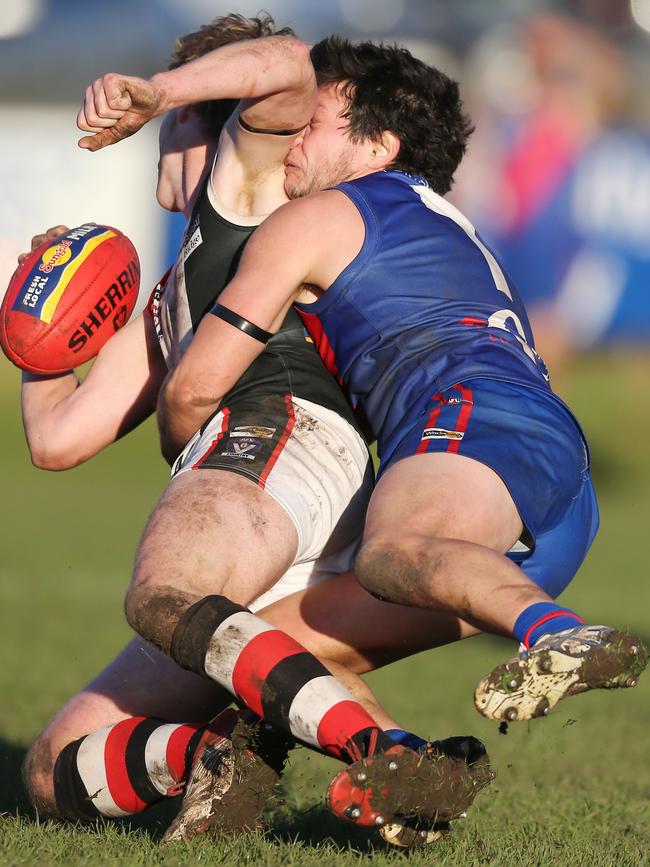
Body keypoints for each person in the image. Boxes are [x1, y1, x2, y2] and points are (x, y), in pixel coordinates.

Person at [21, 17, 491, 847]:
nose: (158, 137)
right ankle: (244, 765)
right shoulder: (177, 291)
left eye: (172, 120)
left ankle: (376, 749)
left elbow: (286, 62)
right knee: (54, 765)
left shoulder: (250, 176)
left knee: (165, 595)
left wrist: (163, 88)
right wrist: (33, 330)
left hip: (277, 439)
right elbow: (57, 439)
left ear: (213, 111)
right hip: (287, 488)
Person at [91, 34, 643, 736]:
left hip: (470, 420)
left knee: (390, 549)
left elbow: (196, 386)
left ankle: (558, 634)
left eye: (310, 124)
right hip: (542, 494)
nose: (291, 140)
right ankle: (400, 768)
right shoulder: (438, 221)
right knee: (263, 655)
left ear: (379, 144)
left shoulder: (324, 214)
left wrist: (186, 446)